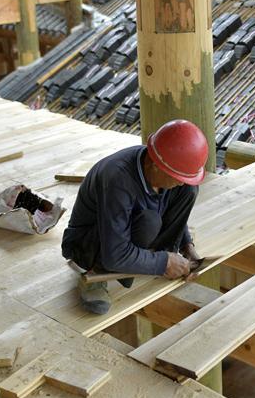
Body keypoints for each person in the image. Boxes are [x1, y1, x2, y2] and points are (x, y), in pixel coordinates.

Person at [62, 119, 208, 315]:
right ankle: (96, 271)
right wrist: (164, 262)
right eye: (178, 177)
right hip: (89, 244)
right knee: (149, 222)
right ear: (156, 166)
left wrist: (187, 247)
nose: (181, 182)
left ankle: (159, 256)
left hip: (126, 232)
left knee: (189, 190)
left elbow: (173, 205)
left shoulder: (161, 169)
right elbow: (116, 254)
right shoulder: (117, 179)